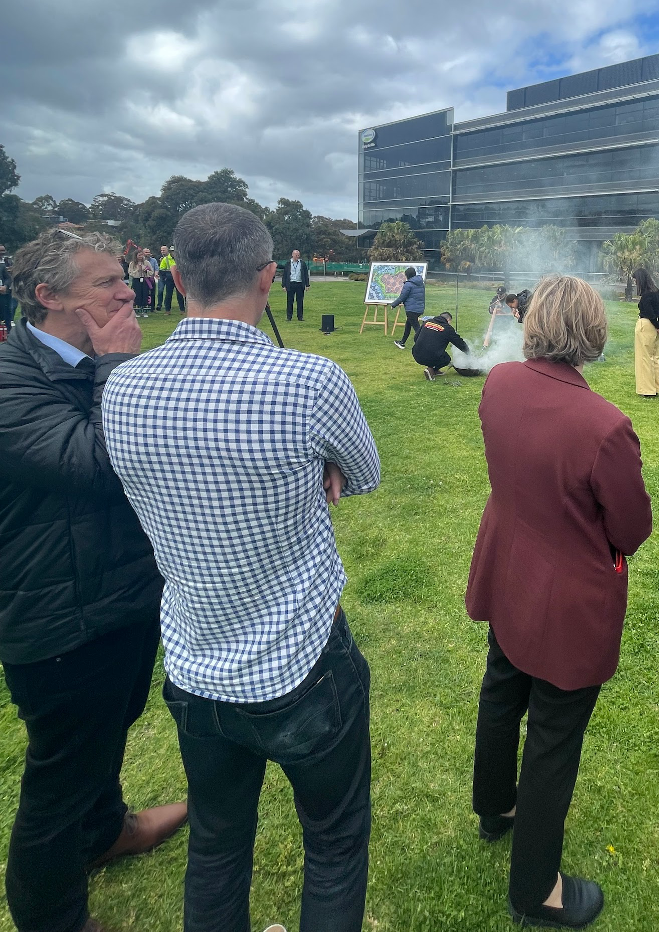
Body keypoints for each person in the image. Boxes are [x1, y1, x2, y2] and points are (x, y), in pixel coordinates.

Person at [101, 203, 381, 933]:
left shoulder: (122, 387)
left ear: (179, 274)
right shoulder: (309, 382)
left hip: (195, 668)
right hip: (305, 667)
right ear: (266, 277)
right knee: (333, 844)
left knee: (219, 844)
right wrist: (320, 461)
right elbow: (367, 472)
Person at [0, 228, 185, 933]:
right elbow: (104, 461)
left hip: (119, 595)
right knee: (59, 778)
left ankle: (105, 829)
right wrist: (116, 366)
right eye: (105, 282)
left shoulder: (85, 363)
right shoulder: (10, 381)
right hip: (60, 616)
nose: (127, 289)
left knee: (110, 730)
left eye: (123, 276)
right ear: (47, 296)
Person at [466, 275, 652, 930]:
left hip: (511, 568)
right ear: (592, 332)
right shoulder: (604, 426)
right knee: (550, 735)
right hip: (565, 593)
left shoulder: (501, 383)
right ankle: (533, 887)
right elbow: (631, 528)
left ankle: (494, 806)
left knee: (500, 687)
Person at [633, 267, 659, 397]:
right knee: (654, 357)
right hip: (654, 327)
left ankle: (647, 389)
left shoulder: (646, 295)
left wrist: (657, 325)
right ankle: (657, 387)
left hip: (646, 324)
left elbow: (649, 313)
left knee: (644, 358)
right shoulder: (655, 291)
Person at [412, 310, 469, 380]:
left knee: (437, 352)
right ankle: (431, 370)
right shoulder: (448, 328)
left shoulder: (427, 322)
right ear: (448, 320)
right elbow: (459, 343)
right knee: (446, 359)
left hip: (416, 354)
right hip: (430, 356)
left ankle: (435, 371)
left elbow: (415, 338)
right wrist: (468, 352)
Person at [392, 265, 426, 349]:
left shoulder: (408, 284)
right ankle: (402, 342)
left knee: (417, 329)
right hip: (419, 308)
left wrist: (394, 304)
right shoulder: (421, 283)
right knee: (408, 325)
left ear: (407, 275)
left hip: (411, 309)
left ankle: (425, 345)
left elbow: (402, 297)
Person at [280, 248, 310, 321]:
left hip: (300, 284)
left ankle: (300, 317)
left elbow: (305, 274)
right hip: (291, 284)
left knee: (300, 301)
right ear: (292, 255)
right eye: (296, 255)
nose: (297, 256)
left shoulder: (302, 263)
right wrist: (284, 285)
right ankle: (289, 317)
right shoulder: (288, 263)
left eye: (298, 255)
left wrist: (307, 285)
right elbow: (285, 275)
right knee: (290, 301)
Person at [128, 249, 150, 316]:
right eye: (139, 255)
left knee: (145, 294)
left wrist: (146, 271)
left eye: (142, 255)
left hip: (144, 280)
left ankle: (144, 311)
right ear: (136, 256)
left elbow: (151, 271)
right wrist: (137, 270)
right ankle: (137, 311)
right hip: (136, 280)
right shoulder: (132, 264)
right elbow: (130, 273)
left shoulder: (146, 262)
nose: (141, 256)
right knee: (137, 295)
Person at [157, 245, 176, 312]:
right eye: (172, 251)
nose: (174, 253)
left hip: (177, 277)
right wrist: (165, 277)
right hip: (168, 277)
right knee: (167, 293)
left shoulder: (180, 258)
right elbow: (161, 269)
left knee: (180, 294)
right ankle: (166, 309)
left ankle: (183, 309)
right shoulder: (165, 259)